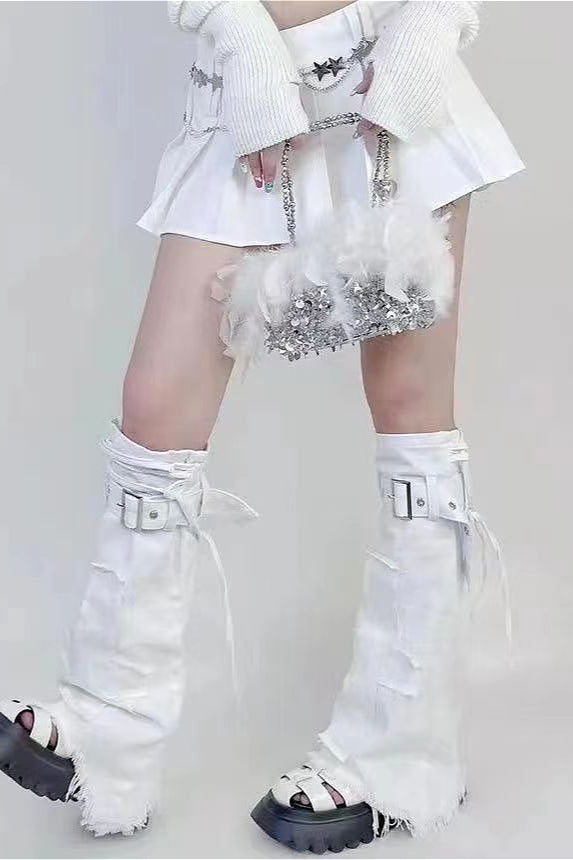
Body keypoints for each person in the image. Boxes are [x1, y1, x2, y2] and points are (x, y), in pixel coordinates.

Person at [0, 0, 523, 851]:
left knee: (409, 408)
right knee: (157, 405)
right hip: (245, 98)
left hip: (392, 74)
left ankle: (402, 751)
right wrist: (236, 31)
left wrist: (433, 24)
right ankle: (106, 725)